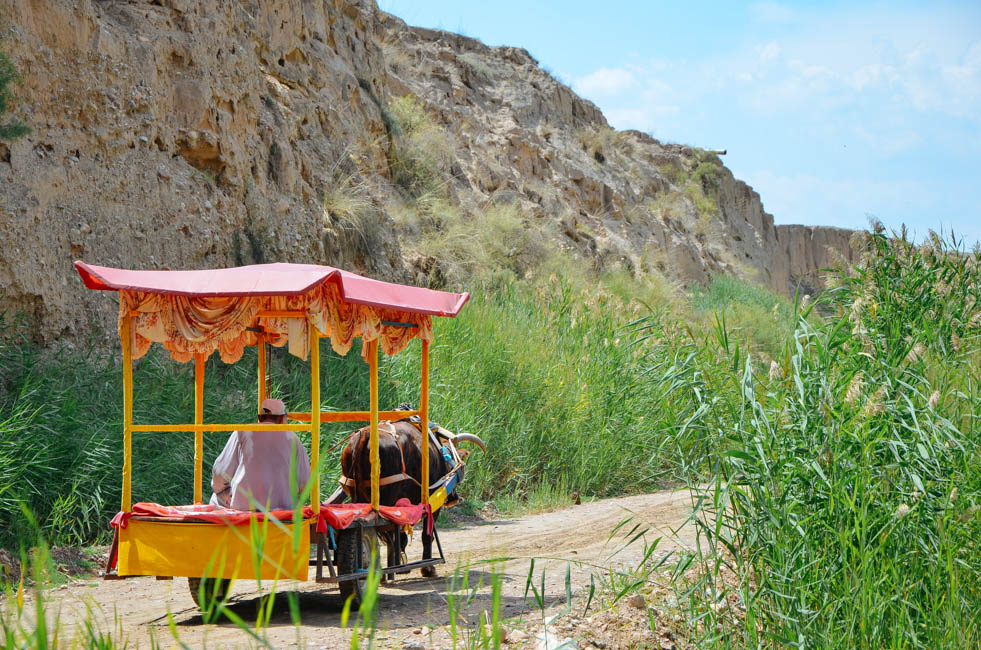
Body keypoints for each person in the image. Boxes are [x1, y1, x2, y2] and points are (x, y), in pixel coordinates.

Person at [210, 398, 311, 511]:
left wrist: (226, 492)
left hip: (244, 508)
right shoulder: (293, 439)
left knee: (216, 498)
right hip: (283, 508)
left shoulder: (242, 432)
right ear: (282, 418)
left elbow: (219, 474)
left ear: (260, 418)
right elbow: (304, 483)